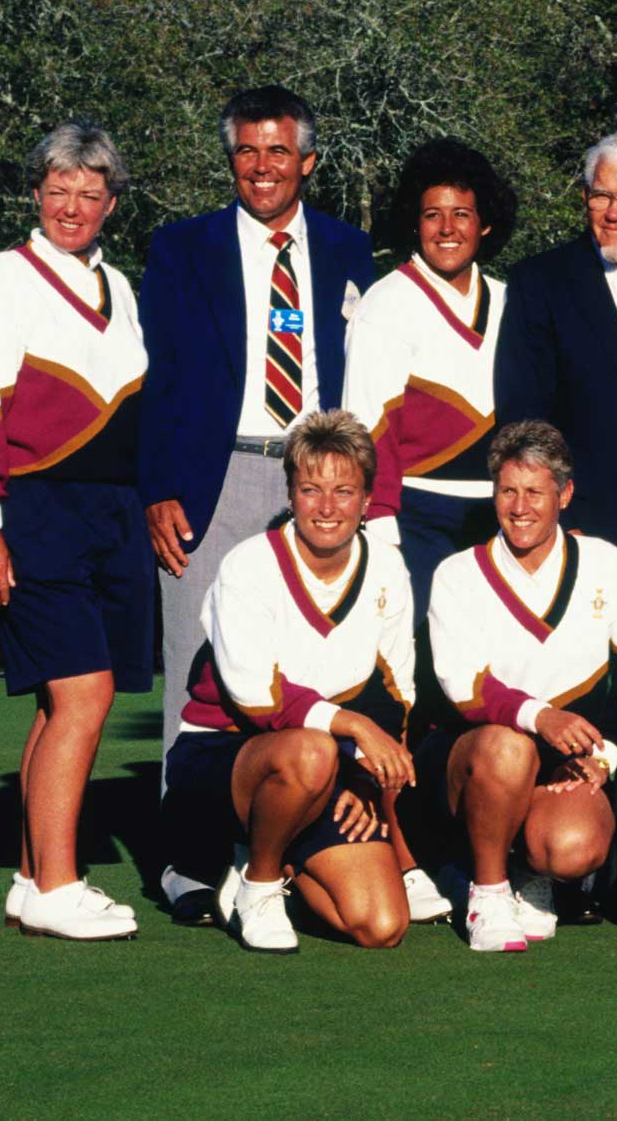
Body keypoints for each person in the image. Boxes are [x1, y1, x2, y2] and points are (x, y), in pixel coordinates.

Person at [137, 87, 377, 923]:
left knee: (305, 662)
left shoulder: (350, 249)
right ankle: (188, 861)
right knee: (196, 662)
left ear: (308, 160)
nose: (263, 166)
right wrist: (159, 487)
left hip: (314, 477)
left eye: (279, 151)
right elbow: (156, 380)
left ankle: (278, 839)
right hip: (216, 476)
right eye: (247, 150)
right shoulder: (181, 248)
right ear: (229, 158)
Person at [0, 120, 149, 940]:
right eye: (58, 190)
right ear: (36, 195)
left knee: (59, 698)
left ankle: (34, 878)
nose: (73, 206)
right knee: (82, 693)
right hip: (34, 505)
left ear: (110, 203)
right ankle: (63, 884)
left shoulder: (121, 286)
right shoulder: (4, 278)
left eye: (89, 193)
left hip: (109, 510)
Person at [161, 411, 417, 953]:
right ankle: (258, 882)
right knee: (310, 752)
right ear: (291, 493)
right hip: (223, 757)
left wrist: (363, 780)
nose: (327, 508)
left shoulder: (388, 570)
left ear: (368, 500)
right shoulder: (248, 565)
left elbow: (398, 693)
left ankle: (273, 857)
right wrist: (351, 728)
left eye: (344, 491)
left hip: (321, 761)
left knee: (381, 924)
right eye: (310, 489)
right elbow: (257, 698)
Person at [419, 421, 617, 951]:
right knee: (507, 748)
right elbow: (462, 686)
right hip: (476, 754)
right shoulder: (458, 574)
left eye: (535, 491)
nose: (520, 506)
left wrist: (603, 757)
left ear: (565, 494)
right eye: (508, 490)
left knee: (571, 848)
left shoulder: (607, 564)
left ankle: (532, 875)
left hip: (565, 758)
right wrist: (540, 717)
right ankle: (486, 890)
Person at [495, 129, 617, 567]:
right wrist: (562, 517)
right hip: (588, 523)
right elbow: (523, 413)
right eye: (602, 196)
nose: (614, 212)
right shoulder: (540, 282)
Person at [345, 137, 518, 611]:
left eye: (461, 214)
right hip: (417, 515)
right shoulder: (385, 303)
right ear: (413, 222)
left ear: (483, 223)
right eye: (431, 215)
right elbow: (366, 422)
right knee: (420, 663)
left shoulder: (509, 301)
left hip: (503, 514)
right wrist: (380, 522)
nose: (447, 228)